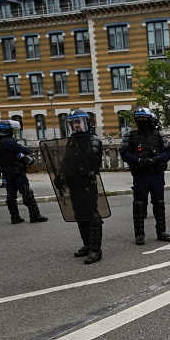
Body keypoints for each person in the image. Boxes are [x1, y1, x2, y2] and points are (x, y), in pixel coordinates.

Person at [55, 109, 105, 264]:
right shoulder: (72, 140)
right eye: (73, 123)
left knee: (92, 216)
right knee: (80, 216)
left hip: (87, 184)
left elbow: (91, 161)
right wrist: (61, 176)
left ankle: (96, 250)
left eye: (78, 122)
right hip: (74, 183)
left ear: (86, 123)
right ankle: (87, 244)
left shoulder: (93, 139)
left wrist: (77, 169)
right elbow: (66, 160)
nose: (76, 125)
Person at [120, 106, 170, 245]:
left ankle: (161, 231)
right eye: (139, 119)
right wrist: (138, 160)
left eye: (144, 119)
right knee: (139, 204)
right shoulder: (130, 135)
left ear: (150, 120)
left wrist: (155, 159)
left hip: (156, 173)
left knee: (159, 203)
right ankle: (139, 234)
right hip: (140, 174)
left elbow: (167, 153)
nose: (142, 121)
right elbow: (124, 153)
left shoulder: (159, 135)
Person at [0, 120, 48, 224]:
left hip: (5, 170)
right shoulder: (8, 141)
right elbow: (25, 150)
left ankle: (15, 216)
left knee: (11, 193)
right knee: (26, 191)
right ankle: (35, 215)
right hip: (16, 170)